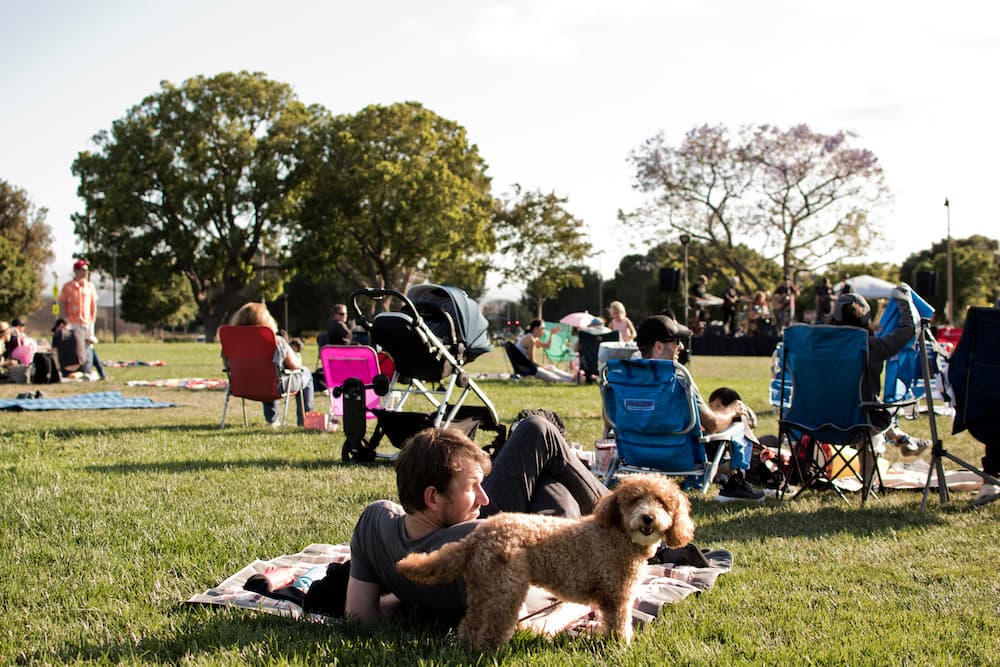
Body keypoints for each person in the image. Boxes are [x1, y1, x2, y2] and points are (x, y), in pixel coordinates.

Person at [344, 415, 608, 624]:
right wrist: (581, 603)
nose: (484, 499)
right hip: (551, 557)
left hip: (475, 542)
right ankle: (622, 519)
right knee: (546, 460)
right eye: (472, 487)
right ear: (433, 498)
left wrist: (409, 594)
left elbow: (360, 618)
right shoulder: (489, 544)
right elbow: (526, 629)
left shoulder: (373, 521)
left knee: (539, 438)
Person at [635, 315, 764, 501]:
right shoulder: (678, 378)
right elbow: (712, 424)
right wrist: (732, 411)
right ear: (659, 346)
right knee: (738, 422)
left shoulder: (622, 376)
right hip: (676, 456)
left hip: (634, 454)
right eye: (676, 341)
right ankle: (736, 484)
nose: (680, 346)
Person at [829, 288, 930, 456]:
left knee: (865, 410)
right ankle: (868, 482)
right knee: (870, 412)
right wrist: (904, 300)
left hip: (818, 419)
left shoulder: (817, 347)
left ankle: (901, 438)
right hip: (861, 421)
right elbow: (909, 329)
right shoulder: (872, 347)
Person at [229, 302, 314, 427]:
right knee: (305, 373)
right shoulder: (275, 340)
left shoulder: (232, 340)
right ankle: (305, 421)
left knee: (267, 376)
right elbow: (296, 366)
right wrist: (297, 356)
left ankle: (272, 421)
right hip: (271, 386)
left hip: (242, 385)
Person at [707, 388, 766, 502]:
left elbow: (752, 421)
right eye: (711, 406)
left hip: (729, 462)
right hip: (715, 462)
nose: (713, 410)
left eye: (718, 406)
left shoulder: (734, 422)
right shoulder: (709, 424)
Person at [58, 259, 98, 335]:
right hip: (72, 323)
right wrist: (64, 321)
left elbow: (93, 305)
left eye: (87, 270)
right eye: (83, 270)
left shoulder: (90, 287)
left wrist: (92, 321)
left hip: (86, 322)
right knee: (73, 345)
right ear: (76, 271)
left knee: (87, 345)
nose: (86, 272)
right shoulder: (67, 287)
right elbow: (62, 304)